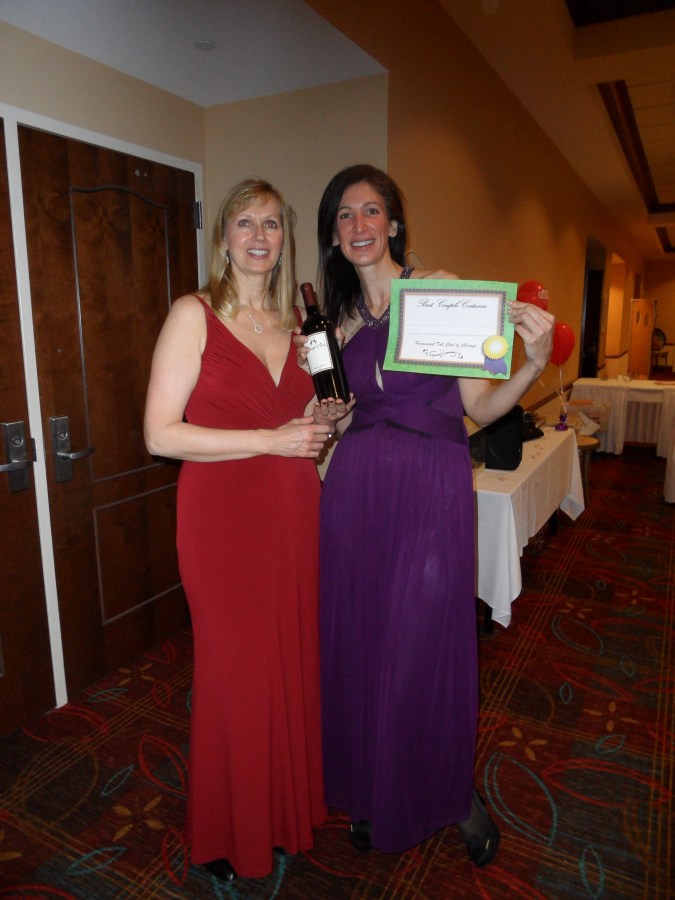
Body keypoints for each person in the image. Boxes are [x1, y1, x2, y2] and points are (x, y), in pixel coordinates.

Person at [297, 164, 554, 866]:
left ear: (393, 222)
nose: (358, 225)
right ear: (333, 234)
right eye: (344, 215)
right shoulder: (336, 322)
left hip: (429, 490)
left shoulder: (441, 292)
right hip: (355, 491)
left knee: (422, 643)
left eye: (370, 211)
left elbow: (481, 408)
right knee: (361, 640)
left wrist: (532, 364)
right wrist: (327, 414)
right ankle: (368, 785)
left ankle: (447, 793)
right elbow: (340, 423)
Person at [144, 178, 337, 882]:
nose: (259, 236)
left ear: (286, 239)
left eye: (272, 224)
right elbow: (160, 434)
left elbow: (310, 424)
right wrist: (270, 438)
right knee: (234, 675)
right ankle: (228, 831)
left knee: (286, 661)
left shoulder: (300, 325)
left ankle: (280, 812)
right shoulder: (192, 315)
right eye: (245, 223)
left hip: (294, 511)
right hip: (222, 520)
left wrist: (324, 421)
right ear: (223, 237)